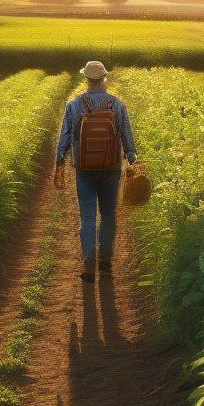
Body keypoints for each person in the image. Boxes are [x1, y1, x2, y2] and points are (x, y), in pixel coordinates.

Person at [54, 60, 138, 282]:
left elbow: (65, 137)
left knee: (87, 217)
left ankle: (89, 262)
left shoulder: (74, 105)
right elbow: (127, 137)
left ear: (86, 79)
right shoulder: (117, 105)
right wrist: (132, 160)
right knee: (109, 213)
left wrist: (59, 162)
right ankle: (106, 262)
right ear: (103, 78)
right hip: (111, 168)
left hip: (84, 168)